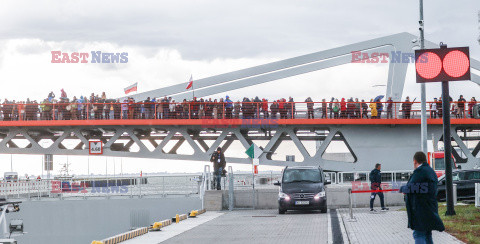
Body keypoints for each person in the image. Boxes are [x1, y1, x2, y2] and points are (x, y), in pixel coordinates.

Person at [402, 151, 445, 244]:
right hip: (429, 207)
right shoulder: (430, 171)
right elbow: (424, 188)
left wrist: (403, 189)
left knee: (418, 234)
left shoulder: (420, 171)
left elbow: (412, 187)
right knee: (427, 234)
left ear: (415, 161)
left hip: (420, 209)